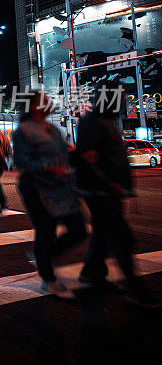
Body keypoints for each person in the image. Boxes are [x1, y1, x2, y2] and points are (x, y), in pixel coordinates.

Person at [74, 85, 162, 308]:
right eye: (120, 98)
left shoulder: (105, 121)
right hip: (101, 192)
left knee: (104, 235)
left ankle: (91, 273)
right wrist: (107, 184)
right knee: (122, 240)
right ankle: (135, 290)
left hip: (108, 191)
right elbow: (89, 159)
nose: (123, 102)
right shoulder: (93, 122)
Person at [13, 91, 86, 300]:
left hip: (61, 188)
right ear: (33, 106)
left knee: (78, 227)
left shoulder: (53, 129)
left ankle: (44, 257)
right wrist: (47, 167)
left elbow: (64, 152)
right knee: (46, 231)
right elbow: (22, 161)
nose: (48, 103)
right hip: (36, 188)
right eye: (43, 100)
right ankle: (49, 278)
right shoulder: (23, 131)